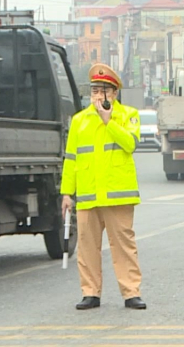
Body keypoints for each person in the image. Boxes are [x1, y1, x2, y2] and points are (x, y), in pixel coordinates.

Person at [61, 63, 146, 310]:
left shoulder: (128, 115)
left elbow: (130, 144)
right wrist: (66, 193)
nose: (98, 96)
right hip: (88, 196)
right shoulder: (79, 120)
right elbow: (71, 158)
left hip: (118, 196)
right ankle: (90, 293)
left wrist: (109, 121)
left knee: (124, 247)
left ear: (114, 93)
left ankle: (131, 293)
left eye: (104, 91)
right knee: (87, 248)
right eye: (95, 91)